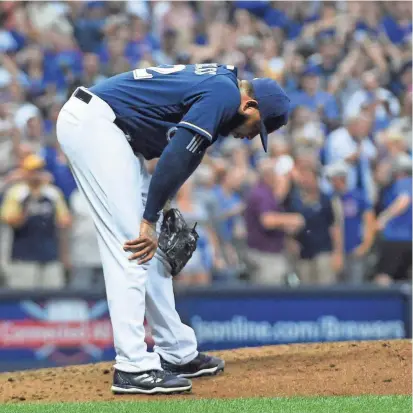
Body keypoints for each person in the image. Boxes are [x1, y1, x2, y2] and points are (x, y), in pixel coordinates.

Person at [56, 63, 290, 394]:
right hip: (95, 125)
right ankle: (132, 365)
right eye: (257, 127)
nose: (251, 136)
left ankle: (177, 351)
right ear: (249, 105)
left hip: (114, 133)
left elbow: (184, 154)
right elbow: (178, 155)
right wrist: (149, 219)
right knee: (134, 243)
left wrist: (161, 207)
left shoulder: (219, 88)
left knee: (152, 250)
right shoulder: (224, 93)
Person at [0, 154, 71, 289]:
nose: (37, 174)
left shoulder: (52, 193)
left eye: (40, 170)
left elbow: (64, 222)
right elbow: (10, 221)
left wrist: (65, 257)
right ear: (25, 172)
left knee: (53, 297)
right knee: (22, 297)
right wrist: (29, 201)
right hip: (23, 258)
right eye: (33, 170)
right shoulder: (17, 193)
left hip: (50, 257)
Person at [245, 159, 303, 285]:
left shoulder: (267, 193)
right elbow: (268, 220)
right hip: (265, 254)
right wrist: (293, 219)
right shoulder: (262, 194)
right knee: (268, 295)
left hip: (268, 251)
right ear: (268, 175)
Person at [325, 162, 376, 284]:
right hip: (336, 252)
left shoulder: (357, 196)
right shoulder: (329, 198)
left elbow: (369, 220)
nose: (332, 183)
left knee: (356, 287)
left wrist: (365, 245)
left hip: (355, 250)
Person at [375, 154, 412, 286]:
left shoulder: (404, 182)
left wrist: (383, 218)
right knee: (402, 280)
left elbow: (404, 200)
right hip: (407, 240)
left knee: (384, 277)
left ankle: (380, 306)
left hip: (395, 239)